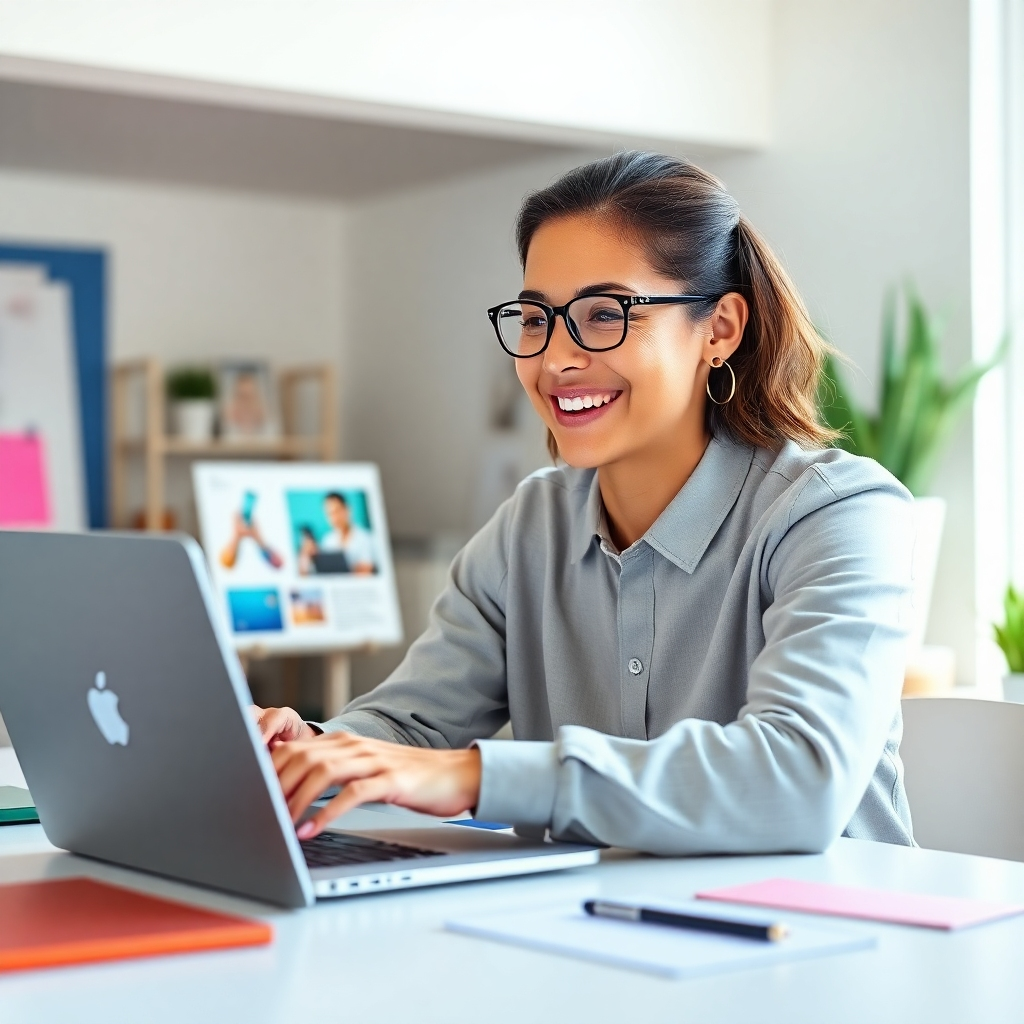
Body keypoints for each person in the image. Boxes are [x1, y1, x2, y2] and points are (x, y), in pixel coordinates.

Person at [256, 152, 915, 855]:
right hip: (590, 932)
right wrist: (316, 750)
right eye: (536, 320)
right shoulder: (531, 526)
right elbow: (414, 729)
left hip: (818, 941)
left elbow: (799, 780)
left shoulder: (837, 515)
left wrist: (478, 777)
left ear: (719, 330)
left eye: (604, 315)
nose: (556, 361)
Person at [317, 492, 376, 575]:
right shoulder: (327, 540)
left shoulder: (366, 538)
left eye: (337, 511)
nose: (334, 518)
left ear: (347, 509)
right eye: (329, 514)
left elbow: (366, 570)